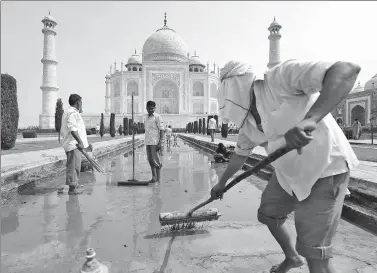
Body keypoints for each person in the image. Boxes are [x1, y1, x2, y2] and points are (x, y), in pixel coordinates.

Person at [211, 60, 361, 273]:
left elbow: (346, 70)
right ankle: (292, 257)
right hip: (288, 174)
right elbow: (239, 156)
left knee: (315, 253)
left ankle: (305, 257)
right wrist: (221, 184)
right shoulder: (247, 121)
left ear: (232, 86)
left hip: (324, 167)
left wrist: (311, 119)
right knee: (268, 214)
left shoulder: (279, 78)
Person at [60, 94, 92, 195]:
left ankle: (75, 184)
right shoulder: (72, 113)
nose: (82, 105)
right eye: (81, 103)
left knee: (76, 166)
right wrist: (81, 142)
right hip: (73, 144)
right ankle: (72, 188)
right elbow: (73, 130)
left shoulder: (70, 112)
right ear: (78, 103)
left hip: (74, 144)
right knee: (73, 166)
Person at [145, 101, 164, 183]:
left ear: (155, 108)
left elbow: (161, 130)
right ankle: (154, 178)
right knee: (150, 160)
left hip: (155, 142)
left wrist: (160, 142)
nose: (150, 110)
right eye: (149, 108)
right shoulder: (145, 117)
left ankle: (158, 180)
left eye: (152, 108)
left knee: (156, 161)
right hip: (148, 142)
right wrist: (134, 127)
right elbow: (145, 129)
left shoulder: (157, 117)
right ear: (146, 108)